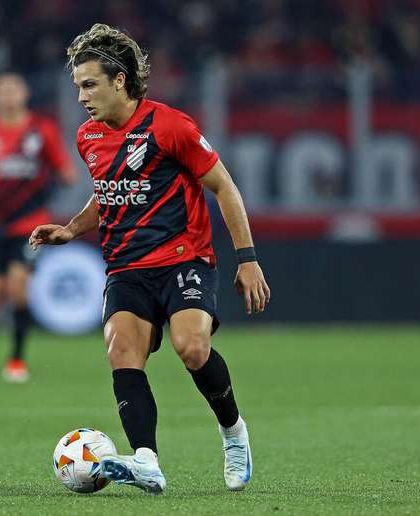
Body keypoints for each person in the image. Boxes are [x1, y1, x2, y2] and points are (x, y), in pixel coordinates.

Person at [30, 24, 270, 494]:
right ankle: (146, 460)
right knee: (122, 348)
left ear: (120, 80)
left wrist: (248, 259)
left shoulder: (172, 127)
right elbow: (107, 191)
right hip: (125, 266)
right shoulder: (88, 137)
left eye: (89, 84)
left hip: (184, 259)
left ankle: (233, 433)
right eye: (77, 86)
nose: (81, 96)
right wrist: (70, 229)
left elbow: (224, 187)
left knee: (192, 348)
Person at [0, 72, 76, 382]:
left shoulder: (42, 131)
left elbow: (66, 170)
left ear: (24, 94)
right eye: (3, 91)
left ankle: (16, 359)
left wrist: (62, 177)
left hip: (31, 224)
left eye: (14, 89)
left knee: (18, 287)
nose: (9, 96)